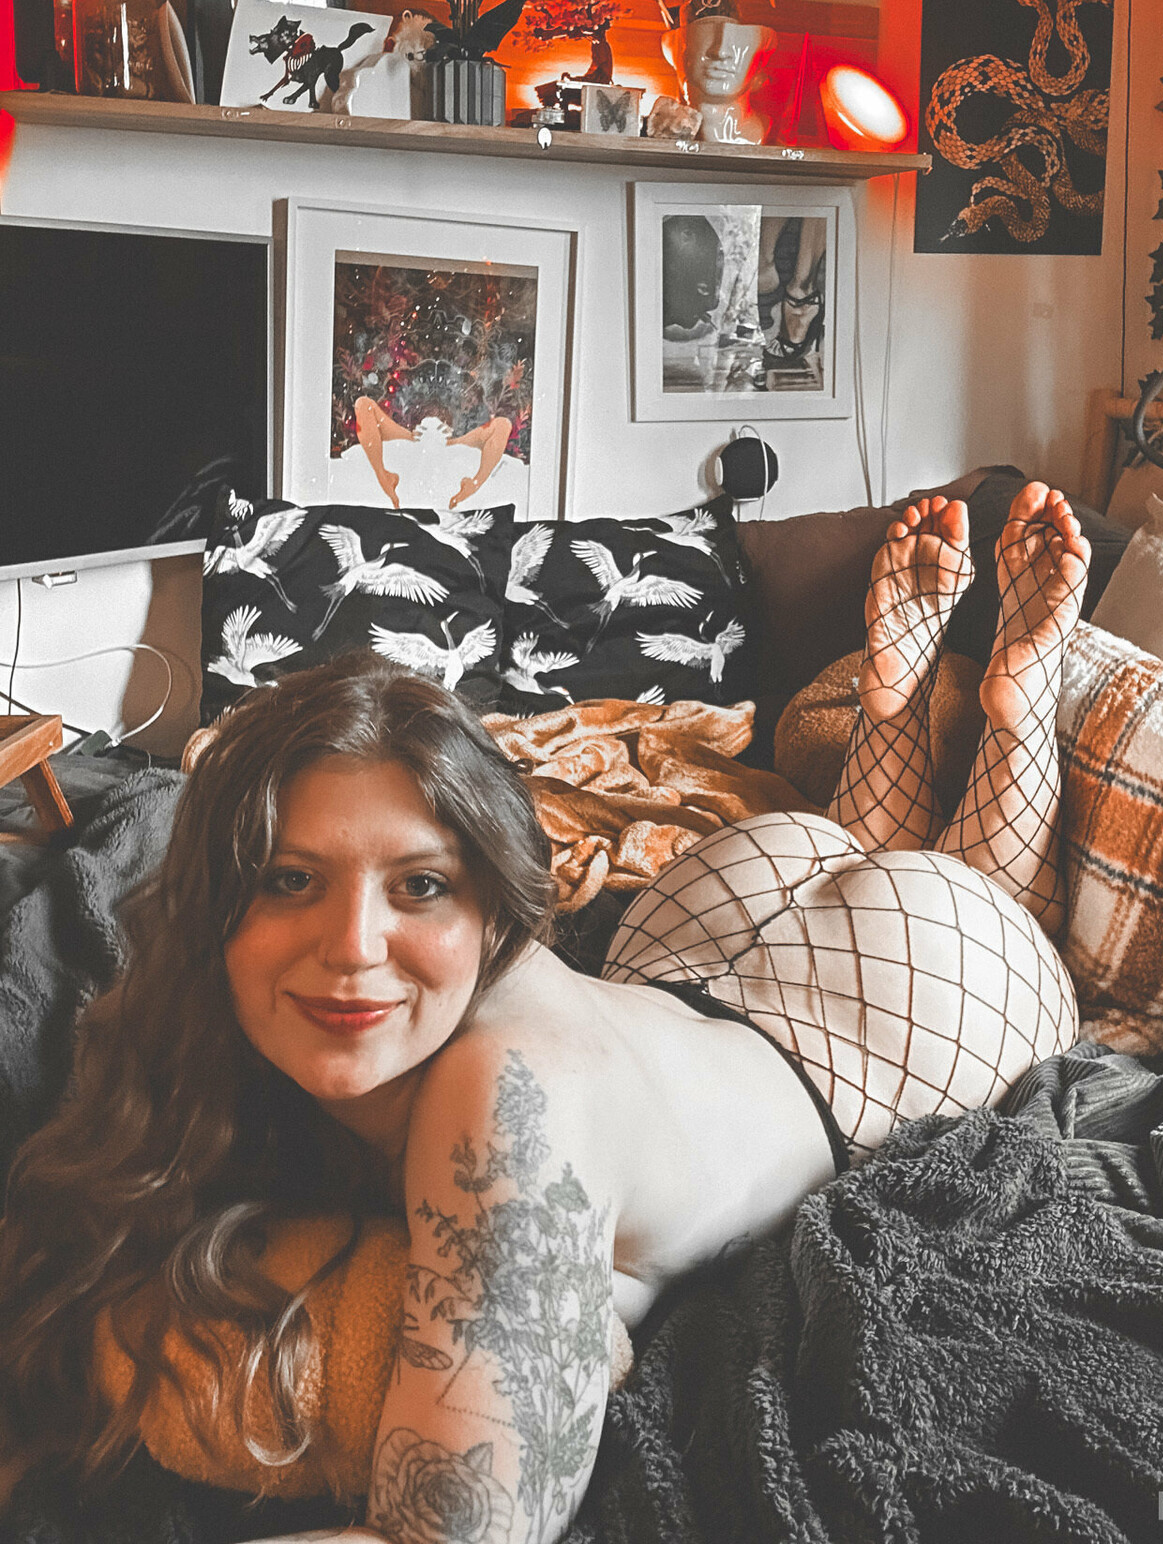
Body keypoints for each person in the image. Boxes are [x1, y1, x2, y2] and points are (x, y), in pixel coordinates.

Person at [0, 483, 1087, 1544]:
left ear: (494, 914)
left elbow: (451, 1534)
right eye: (291, 879)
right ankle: (891, 721)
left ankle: (1010, 710)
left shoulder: (517, 1094)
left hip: (885, 1010)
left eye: (420, 885)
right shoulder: (202, 1000)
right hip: (699, 935)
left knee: (981, 889)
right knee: (863, 844)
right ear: (216, 899)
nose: (352, 947)